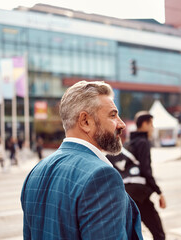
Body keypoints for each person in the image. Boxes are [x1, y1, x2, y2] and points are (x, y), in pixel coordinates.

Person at [21, 81, 143, 239]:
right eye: (113, 115)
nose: (122, 124)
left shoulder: (35, 173)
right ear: (85, 121)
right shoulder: (102, 176)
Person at [116, 111, 166, 240]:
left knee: (133, 234)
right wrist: (159, 192)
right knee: (159, 233)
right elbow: (146, 170)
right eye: (151, 124)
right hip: (139, 195)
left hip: (126, 194)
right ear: (144, 124)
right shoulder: (143, 142)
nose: (152, 128)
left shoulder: (128, 143)